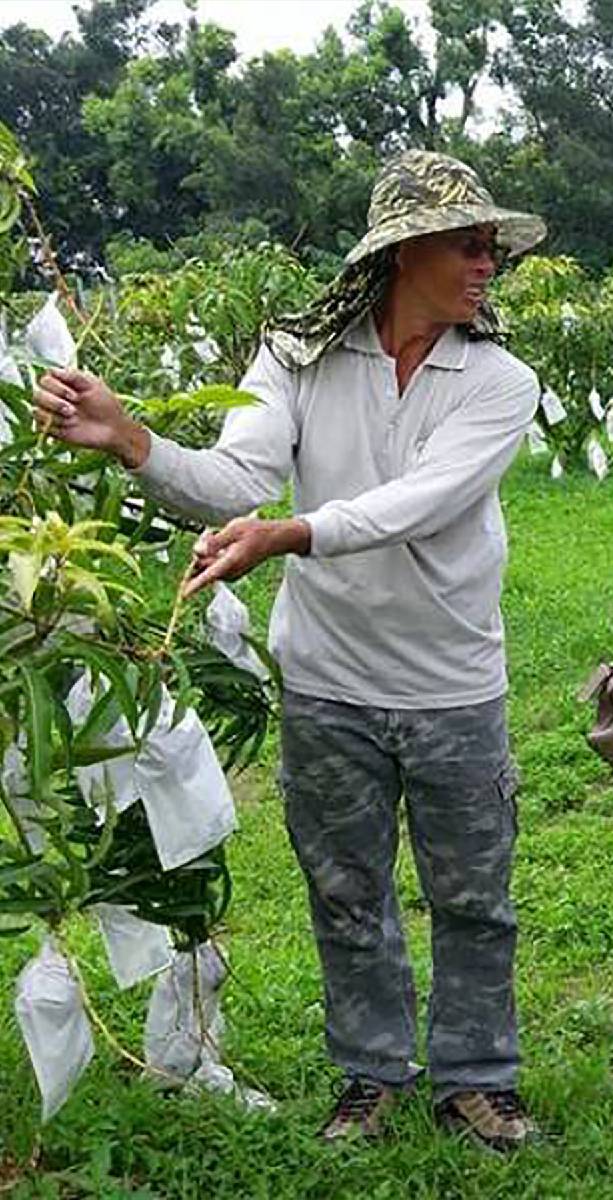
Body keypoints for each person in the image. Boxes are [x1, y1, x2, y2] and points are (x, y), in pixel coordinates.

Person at [33, 150, 547, 1151]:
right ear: (404, 254)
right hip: (328, 678)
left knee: (473, 899)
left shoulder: (499, 380)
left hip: (451, 684)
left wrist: (290, 535)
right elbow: (236, 478)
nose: (488, 263)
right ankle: (372, 1075)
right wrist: (132, 441)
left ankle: (478, 1079)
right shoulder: (297, 357)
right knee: (347, 892)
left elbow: (421, 502)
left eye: (493, 247)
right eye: (468, 243)